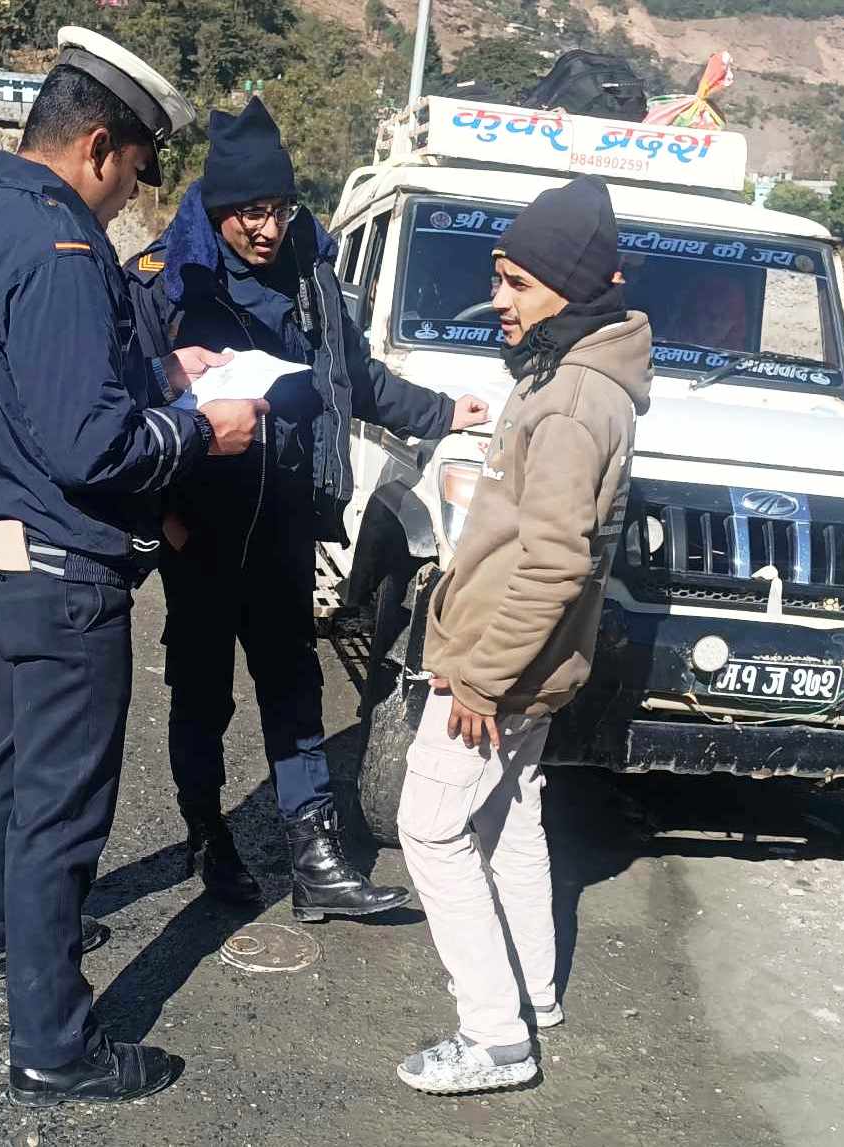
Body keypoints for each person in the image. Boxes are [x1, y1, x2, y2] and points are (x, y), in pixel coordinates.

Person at [0, 27, 267, 1108]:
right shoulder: (64, 248)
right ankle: (55, 1045)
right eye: (131, 175)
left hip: (2, 547)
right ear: (100, 146)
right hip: (67, 566)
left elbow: (34, 390)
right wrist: (197, 429)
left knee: (12, 758)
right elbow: (88, 443)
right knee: (65, 808)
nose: (128, 199)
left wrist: (159, 368)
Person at [124, 98, 490, 920]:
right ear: (216, 210)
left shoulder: (313, 275)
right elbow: (121, 400)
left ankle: (316, 858)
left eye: (278, 209)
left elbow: (357, 380)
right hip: (201, 530)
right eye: (249, 213)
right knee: (202, 692)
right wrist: (163, 520)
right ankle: (206, 833)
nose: (265, 228)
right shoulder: (165, 281)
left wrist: (440, 413)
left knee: (293, 687)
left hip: (285, 522)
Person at [394, 175, 653, 1094]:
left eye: (515, 282)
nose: (497, 299)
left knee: (428, 826)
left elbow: (553, 561)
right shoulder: (574, 374)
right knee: (507, 815)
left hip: (499, 665)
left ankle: (496, 1037)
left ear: (573, 289)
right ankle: (535, 993)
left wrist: (477, 679)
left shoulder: (576, 398)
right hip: (529, 662)